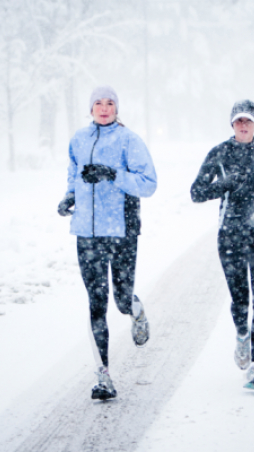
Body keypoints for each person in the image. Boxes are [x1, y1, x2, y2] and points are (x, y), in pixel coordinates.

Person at [57, 86, 157, 400]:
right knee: (96, 303)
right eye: (98, 103)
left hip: (122, 230)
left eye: (109, 103)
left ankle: (135, 310)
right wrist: (69, 197)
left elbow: (149, 183)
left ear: (117, 108)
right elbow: (74, 174)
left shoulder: (129, 141)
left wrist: (113, 174)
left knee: (121, 299)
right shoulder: (78, 139)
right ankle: (103, 376)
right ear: (90, 109)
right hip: (87, 233)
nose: (103, 108)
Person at [190, 99, 254, 390]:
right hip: (231, 235)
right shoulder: (219, 153)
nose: (244, 125)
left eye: (249, 120)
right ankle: (241, 336)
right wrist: (224, 184)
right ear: (232, 124)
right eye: (239, 121)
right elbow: (196, 192)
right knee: (240, 299)